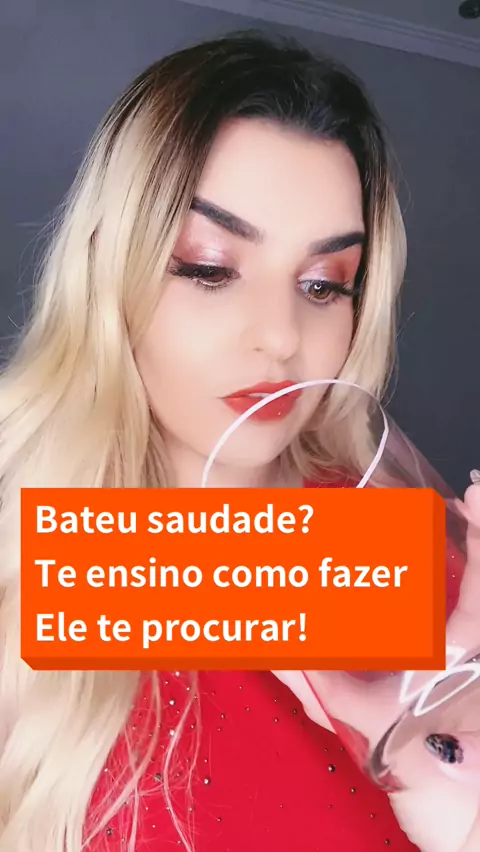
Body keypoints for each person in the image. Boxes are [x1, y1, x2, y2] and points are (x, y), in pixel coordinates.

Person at [0, 29, 479, 852]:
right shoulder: (31, 562)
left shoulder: (418, 563)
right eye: (209, 267)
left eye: (323, 285)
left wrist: (459, 812)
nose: (281, 337)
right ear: (109, 268)